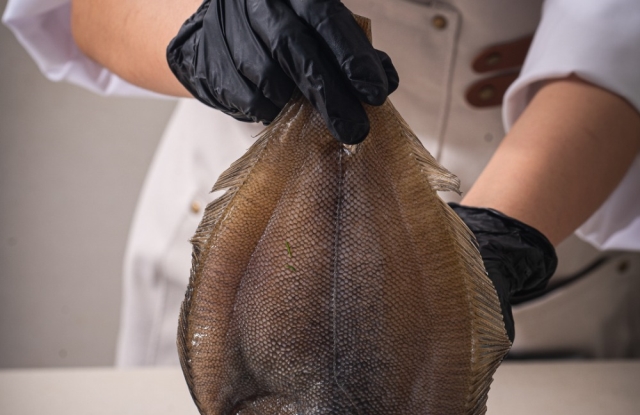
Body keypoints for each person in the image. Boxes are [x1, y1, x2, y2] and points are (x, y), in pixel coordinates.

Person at [3, 0, 640, 365]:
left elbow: (619, 30)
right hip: (239, 250)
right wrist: (201, 32)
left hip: (544, 203)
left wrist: (489, 249)